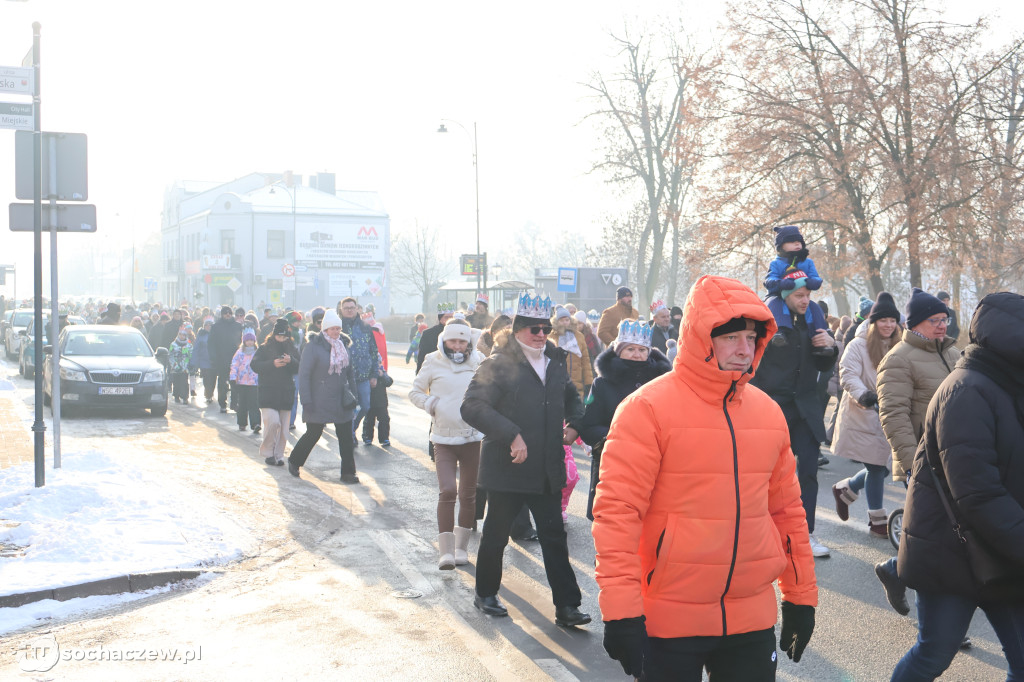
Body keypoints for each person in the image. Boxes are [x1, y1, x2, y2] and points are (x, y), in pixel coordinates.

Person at [593, 275, 818, 681]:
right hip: (669, 618)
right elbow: (617, 515)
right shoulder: (646, 408)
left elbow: (786, 512)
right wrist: (622, 612)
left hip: (750, 617)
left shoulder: (768, 413)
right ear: (701, 338)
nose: (744, 348)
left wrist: (800, 596)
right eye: (730, 336)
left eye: (751, 337)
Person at [891, 292, 1024, 681]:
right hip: (951, 550)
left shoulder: (1010, 386)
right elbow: (977, 492)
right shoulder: (967, 391)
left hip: (1002, 550)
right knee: (935, 652)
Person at [460, 293, 590, 627]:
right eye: (533, 327)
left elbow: (575, 402)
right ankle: (486, 592)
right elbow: (472, 406)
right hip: (508, 468)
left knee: (554, 540)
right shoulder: (498, 363)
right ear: (517, 328)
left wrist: (575, 426)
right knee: (496, 535)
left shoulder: (557, 361)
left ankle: (567, 607)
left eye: (545, 327)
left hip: (546, 469)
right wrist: (511, 434)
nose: (540, 333)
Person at [873, 287, 961, 617]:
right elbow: (893, 416)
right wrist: (913, 465)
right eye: (934, 320)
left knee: (942, 536)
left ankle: (896, 570)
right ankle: (941, 623)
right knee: (944, 539)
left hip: (957, 459)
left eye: (944, 318)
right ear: (914, 324)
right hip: (926, 464)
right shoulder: (897, 360)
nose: (942, 325)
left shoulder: (953, 354)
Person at [751, 284, 837, 558]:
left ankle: (805, 534)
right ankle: (762, 532)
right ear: (785, 296)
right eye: (800, 295)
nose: (806, 300)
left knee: (809, 471)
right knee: (766, 474)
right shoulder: (769, 321)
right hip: (774, 407)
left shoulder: (813, 319)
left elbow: (823, 366)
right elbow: (756, 367)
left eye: (808, 295)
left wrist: (830, 347)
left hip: (806, 408)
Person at [573, 318, 671, 521]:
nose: (637, 355)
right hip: (614, 464)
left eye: (642, 350)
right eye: (630, 349)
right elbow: (589, 427)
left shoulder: (663, 384)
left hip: (654, 466)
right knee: (613, 525)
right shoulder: (602, 384)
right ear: (618, 351)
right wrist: (618, 438)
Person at [410, 319, 485, 569]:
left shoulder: (479, 361)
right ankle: (445, 552)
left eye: (462, 341)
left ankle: (461, 549)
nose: (457, 345)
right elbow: (416, 392)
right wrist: (432, 404)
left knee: (468, 494)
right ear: (444, 341)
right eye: (453, 340)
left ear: (468, 343)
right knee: (448, 491)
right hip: (442, 438)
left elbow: (493, 390)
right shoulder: (433, 360)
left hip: (472, 438)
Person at [830, 292, 903, 536]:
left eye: (892, 321)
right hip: (864, 412)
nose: (888, 325)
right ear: (873, 322)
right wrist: (864, 395)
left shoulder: (899, 344)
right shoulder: (858, 344)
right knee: (875, 467)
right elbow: (847, 374)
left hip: (890, 413)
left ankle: (846, 488)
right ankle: (878, 521)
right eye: (883, 320)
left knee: (883, 467)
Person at [287, 309, 360, 484]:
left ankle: (348, 473)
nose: (336, 331)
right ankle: (295, 460)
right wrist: (306, 400)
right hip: (318, 398)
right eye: (332, 328)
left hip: (341, 397)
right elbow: (304, 375)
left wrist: (354, 396)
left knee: (346, 436)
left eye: (338, 328)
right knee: (314, 432)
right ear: (325, 329)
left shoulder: (344, 345)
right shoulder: (313, 346)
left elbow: (350, 373)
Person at [763, 226, 829, 345]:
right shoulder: (776, 264)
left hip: (801, 294)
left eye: (799, 242)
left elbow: (815, 276)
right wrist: (780, 283)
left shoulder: (808, 262)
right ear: (782, 246)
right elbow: (769, 280)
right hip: (778, 295)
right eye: (792, 242)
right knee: (775, 304)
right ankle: (780, 331)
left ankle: (820, 334)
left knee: (814, 308)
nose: (797, 244)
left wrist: (814, 282)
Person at [251, 318, 300, 467]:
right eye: (279, 336)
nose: (281, 339)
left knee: (284, 429)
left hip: (285, 392)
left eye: (284, 336)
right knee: (272, 422)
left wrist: (290, 361)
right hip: (268, 392)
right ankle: (268, 452)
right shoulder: (264, 348)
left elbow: (299, 367)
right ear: (273, 335)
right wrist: (272, 364)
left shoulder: (292, 349)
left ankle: (278, 456)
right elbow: (254, 365)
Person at [337, 297, 381, 442]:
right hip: (343, 377)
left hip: (363, 376)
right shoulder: (337, 327)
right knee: (346, 408)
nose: (349, 310)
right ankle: (348, 435)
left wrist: (374, 374)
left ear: (357, 309)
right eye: (346, 308)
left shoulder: (365, 327)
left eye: (352, 307)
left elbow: (374, 351)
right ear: (341, 310)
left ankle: (351, 430)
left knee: (365, 406)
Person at [360, 315, 392, 446]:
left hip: (382, 402)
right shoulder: (366, 372)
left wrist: (382, 374)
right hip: (369, 400)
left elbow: (389, 381)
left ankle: (384, 438)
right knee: (369, 420)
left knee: (384, 419)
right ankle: (367, 437)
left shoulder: (381, 372)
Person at [209, 306, 243, 413]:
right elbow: (211, 343)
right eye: (225, 313)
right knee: (223, 382)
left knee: (235, 382)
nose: (227, 315)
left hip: (235, 359)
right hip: (221, 358)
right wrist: (213, 357)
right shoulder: (216, 326)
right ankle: (222, 403)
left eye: (229, 313)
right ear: (222, 314)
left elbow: (242, 341)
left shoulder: (237, 326)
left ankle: (234, 403)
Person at [229, 331, 261, 433]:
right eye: (248, 340)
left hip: (253, 382)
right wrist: (233, 378)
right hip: (241, 382)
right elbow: (234, 365)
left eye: (252, 340)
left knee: (254, 403)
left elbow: (262, 365)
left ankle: (256, 423)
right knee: (242, 403)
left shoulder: (258, 352)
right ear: (244, 341)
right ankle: (242, 423)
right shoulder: (239, 352)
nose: (250, 342)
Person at [417, 302, 455, 374]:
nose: (450, 320)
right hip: (434, 372)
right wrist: (419, 373)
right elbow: (422, 356)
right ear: (440, 318)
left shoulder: (459, 332)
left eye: (452, 317)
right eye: (446, 317)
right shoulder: (428, 334)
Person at [191, 318, 216, 403]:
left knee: (213, 378)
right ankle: (208, 394)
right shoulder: (201, 335)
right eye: (207, 325)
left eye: (210, 325)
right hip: (204, 361)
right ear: (204, 326)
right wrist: (193, 362)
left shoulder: (216, 334)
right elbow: (196, 348)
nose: (208, 327)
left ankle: (210, 392)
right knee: (206, 378)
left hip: (214, 361)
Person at [168, 326, 193, 405]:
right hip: (176, 367)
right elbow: (170, 355)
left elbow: (191, 355)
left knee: (184, 382)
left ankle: (185, 397)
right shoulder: (173, 344)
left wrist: (191, 364)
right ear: (178, 335)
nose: (182, 336)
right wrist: (174, 364)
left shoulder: (189, 345)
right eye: (180, 334)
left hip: (185, 367)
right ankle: (176, 396)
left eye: (184, 335)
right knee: (176, 382)